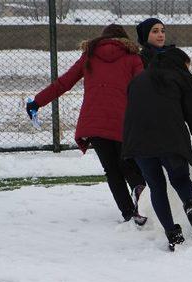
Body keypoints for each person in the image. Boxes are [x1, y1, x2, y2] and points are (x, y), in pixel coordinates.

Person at [26, 24, 147, 225]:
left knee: (111, 170)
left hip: (94, 123)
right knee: (129, 166)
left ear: (102, 39)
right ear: (125, 40)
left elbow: (63, 83)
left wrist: (37, 102)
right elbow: (144, 89)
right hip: (124, 121)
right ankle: (139, 198)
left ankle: (128, 214)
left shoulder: (89, 57)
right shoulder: (133, 58)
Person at [122, 47, 192, 251]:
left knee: (156, 186)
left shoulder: (137, 81)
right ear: (180, 63)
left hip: (139, 143)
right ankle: (191, 206)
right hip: (171, 139)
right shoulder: (181, 79)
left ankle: (172, 234)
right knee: (180, 179)